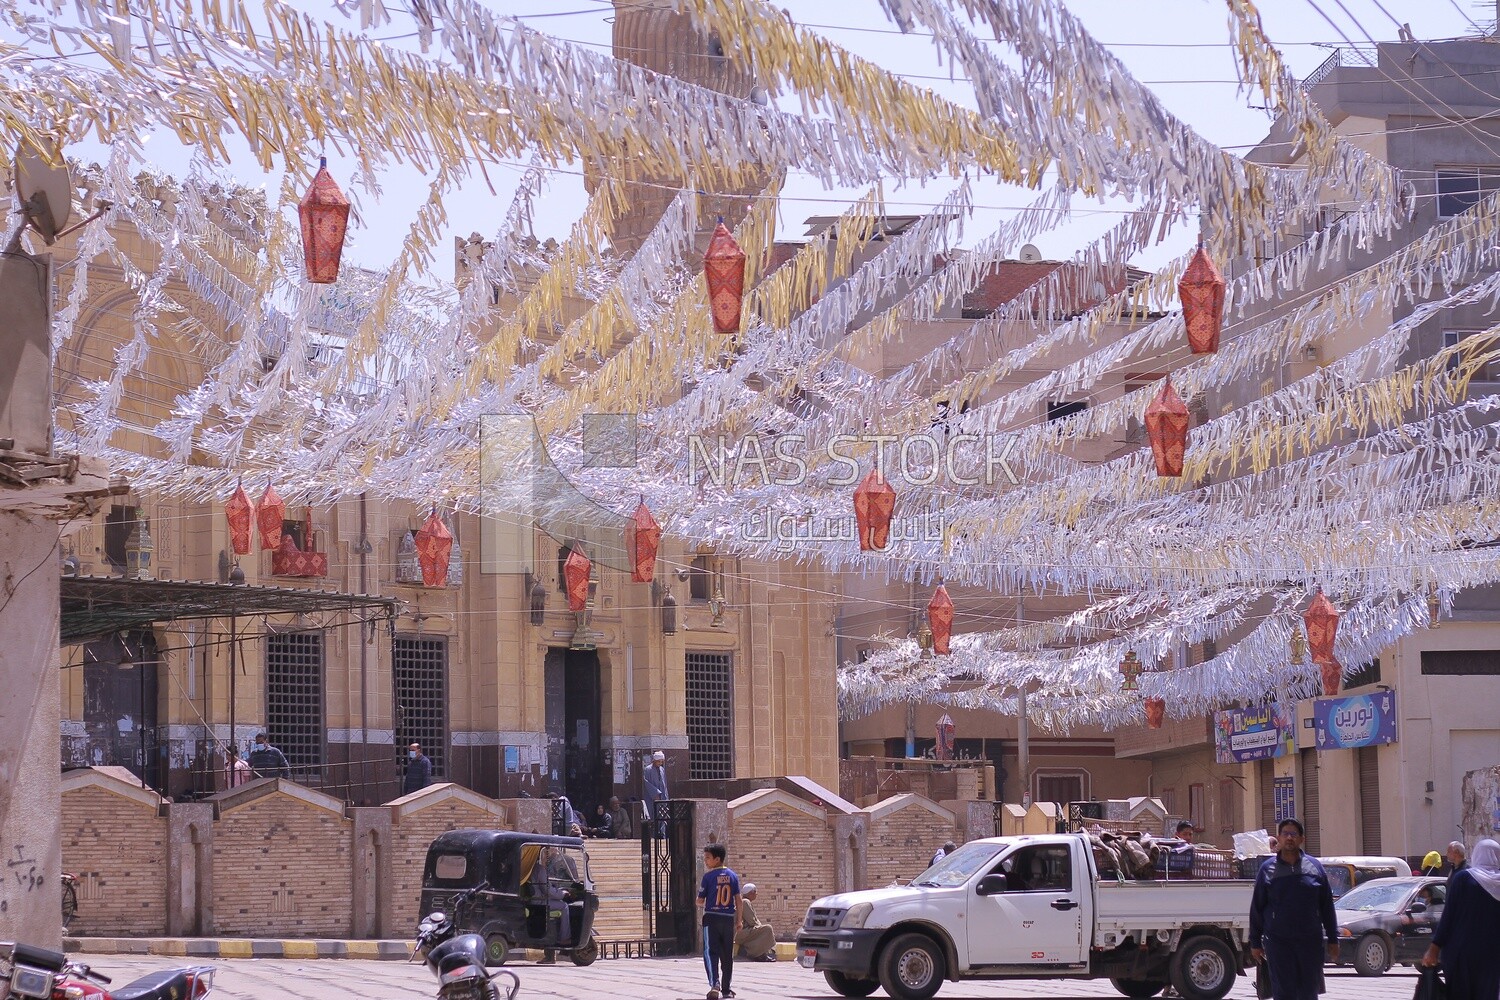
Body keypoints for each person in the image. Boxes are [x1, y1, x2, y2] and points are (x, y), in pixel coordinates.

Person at [1248, 818, 1338, 1000]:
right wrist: (1255, 942)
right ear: (1279, 839)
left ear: (1301, 839)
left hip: (1310, 942)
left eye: (1293, 834)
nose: (1289, 838)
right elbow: (1257, 907)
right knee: (1283, 993)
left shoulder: (1315, 867)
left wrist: (1333, 939)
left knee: (1309, 992)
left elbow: (1327, 906)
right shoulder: (1267, 869)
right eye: (1285, 834)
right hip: (1278, 943)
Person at [1422, 838, 1500, 1000]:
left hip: (1460, 953)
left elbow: (1448, 916)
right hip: (1492, 955)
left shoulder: (1463, 879)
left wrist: (1434, 949)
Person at [697, 843, 741, 1000]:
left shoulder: (708, 877)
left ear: (717, 859)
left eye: (708, 858)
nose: (706, 861)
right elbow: (739, 900)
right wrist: (739, 921)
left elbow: (700, 900)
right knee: (727, 955)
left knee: (710, 952)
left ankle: (714, 984)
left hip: (712, 918)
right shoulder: (733, 876)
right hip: (728, 919)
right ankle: (726, 989)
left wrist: (701, 901)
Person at [735, 883, 776, 961]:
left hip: (742, 933)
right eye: (755, 892)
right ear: (751, 893)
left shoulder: (744, 901)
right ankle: (758, 952)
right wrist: (761, 927)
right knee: (768, 929)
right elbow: (752, 921)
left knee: (764, 930)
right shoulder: (745, 902)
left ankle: (755, 953)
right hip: (741, 933)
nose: (756, 894)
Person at [644, 750, 669, 836]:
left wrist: (665, 796)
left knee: (663, 816)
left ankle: (662, 834)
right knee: (653, 816)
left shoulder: (662, 770)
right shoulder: (648, 769)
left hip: (662, 797)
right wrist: (655, 794)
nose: (660, 763)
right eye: (659, 761)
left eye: (661, 761)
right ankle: (653, 835)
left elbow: (664, 784)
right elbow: (646, 783)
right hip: (652, 798)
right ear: (654, 760)